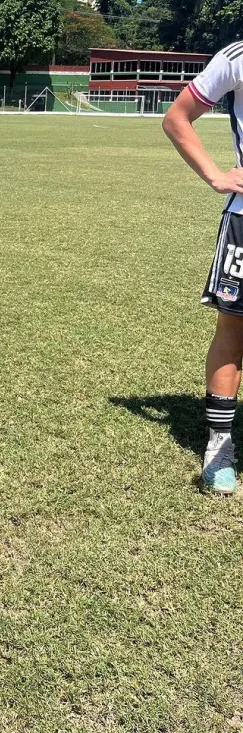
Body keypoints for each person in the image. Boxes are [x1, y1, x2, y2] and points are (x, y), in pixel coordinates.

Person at [163, 43, 243, 494]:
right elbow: (177, 118)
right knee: (233, 334)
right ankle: (219, 445)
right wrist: (216, 175)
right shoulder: (237, 57)